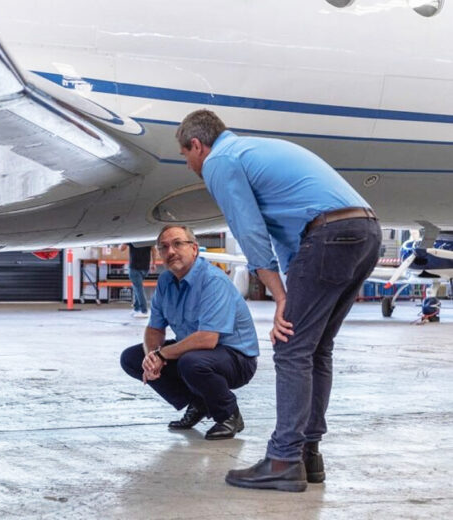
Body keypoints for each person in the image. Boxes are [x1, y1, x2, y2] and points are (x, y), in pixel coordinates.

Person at [176, 110, 381, 491]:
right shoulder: (255, 150)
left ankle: (284, 458)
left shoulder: (220, 162)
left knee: (290, 348)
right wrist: (287, 289)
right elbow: (292, 245)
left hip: (331, 234)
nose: (189, 166)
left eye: (186, 156)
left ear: (197, 146)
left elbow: (249, 231)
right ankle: (307, 454)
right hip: (365, 231)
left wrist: (281, 296)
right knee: (316, 348)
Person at [120, 225, 259, 440]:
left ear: (194, 249)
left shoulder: (212, 280)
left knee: (192, 362)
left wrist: (162, 355)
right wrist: (151, 356)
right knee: (132, 358)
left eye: (177, 244)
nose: (171, 251)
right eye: (164, 247)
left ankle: (229, 414)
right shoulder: (165, 282)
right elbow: (155, 328)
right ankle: (198, 403)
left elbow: (207, 339)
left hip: (236, 357)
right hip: (196, 352)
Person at [119, 243, 154, 318]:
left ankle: (144, 311)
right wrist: (153, 263)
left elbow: (122, 248)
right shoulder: (148, 237)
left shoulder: (132, 237)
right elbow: (154, 250)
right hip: (145, 267)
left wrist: (123, 241)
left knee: (138, 289)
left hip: (134, 267)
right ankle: (136, 308)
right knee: (136, 287)